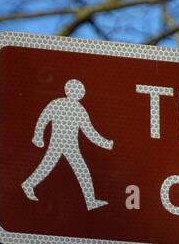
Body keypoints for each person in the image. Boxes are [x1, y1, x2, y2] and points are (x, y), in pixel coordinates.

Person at [21, 79, 113, 210]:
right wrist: (38, 136)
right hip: (58, 143)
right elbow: (43, 118)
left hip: (71, 146)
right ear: (69, 90)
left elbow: (89, 131)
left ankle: (90, 201)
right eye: (78, 90)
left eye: (81, 91)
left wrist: (105, 143)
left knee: (78, 169)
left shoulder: (80, 109)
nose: (80, 93)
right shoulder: (57, 104)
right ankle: (28, 184)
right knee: (52, 166)